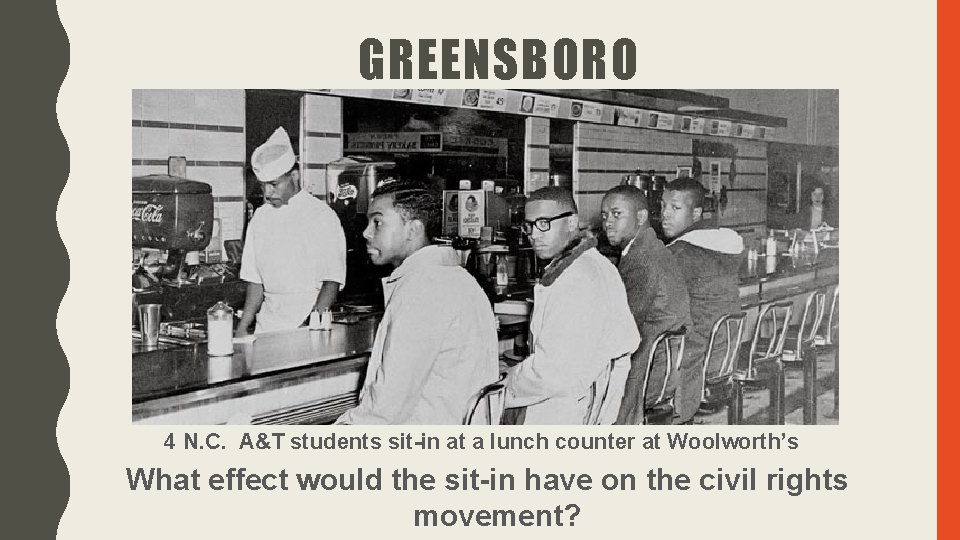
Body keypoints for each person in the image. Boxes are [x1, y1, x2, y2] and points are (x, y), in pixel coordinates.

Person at [336, 180, 499, 424]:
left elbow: (386, 409)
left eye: (377, 222)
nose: (366, 233)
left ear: (413, 229)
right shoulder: (455, 277)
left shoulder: (424, 289)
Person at [502, 187, 640, 424]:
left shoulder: (576, 279)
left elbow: (551, 373)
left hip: (567, 413)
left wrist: (505, 383)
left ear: (572, 222)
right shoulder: (594, 263)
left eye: (544, 223)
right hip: (587, 404)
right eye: (529, 225)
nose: (534, 234)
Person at [235, 127, 346, 335]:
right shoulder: (260, 218)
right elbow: (255, 281)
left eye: (274, 184)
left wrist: (309, 326)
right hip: (267, 327)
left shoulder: (321, 216)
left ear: (294, 176)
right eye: (262, 186)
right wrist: (242, 328)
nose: (267, 194)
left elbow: (331, 282)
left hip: (307, 322)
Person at [600, 186, 692, 425]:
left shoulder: (641, 259)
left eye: (617, 214)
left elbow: (621, 327)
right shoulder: (651, 248)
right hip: (667, 372)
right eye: (605, 215)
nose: (608, 222)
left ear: (640, 217)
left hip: (648, 375)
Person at [661, 177, 744, 424]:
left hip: (692, 365)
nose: (665, 214)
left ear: (696, 213)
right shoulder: (722, 245)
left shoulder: (679, 253)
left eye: (675, 208)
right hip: (722, 356)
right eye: (663, 206)